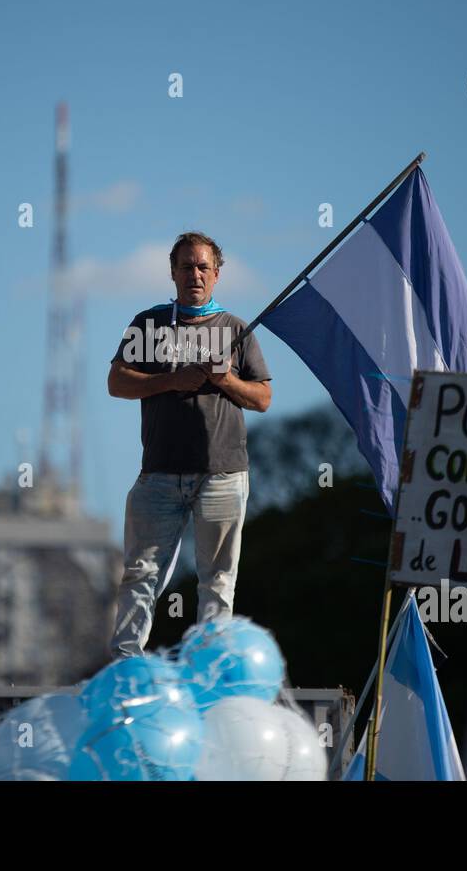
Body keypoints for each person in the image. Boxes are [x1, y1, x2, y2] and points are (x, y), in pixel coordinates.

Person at [105, 231, 272, 658]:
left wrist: (225, 380)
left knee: (217, 578)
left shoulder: (237, 329)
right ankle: (126, 664)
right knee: (140, 573)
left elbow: (263, 398)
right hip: (158, 474)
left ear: (217, 274)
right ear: (172, 272)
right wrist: (171, 380)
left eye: (202, 267)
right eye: (186, 266)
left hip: (222, 475)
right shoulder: (148, 323)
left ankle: (209, 665)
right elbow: (116, 382)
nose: (194, 274)